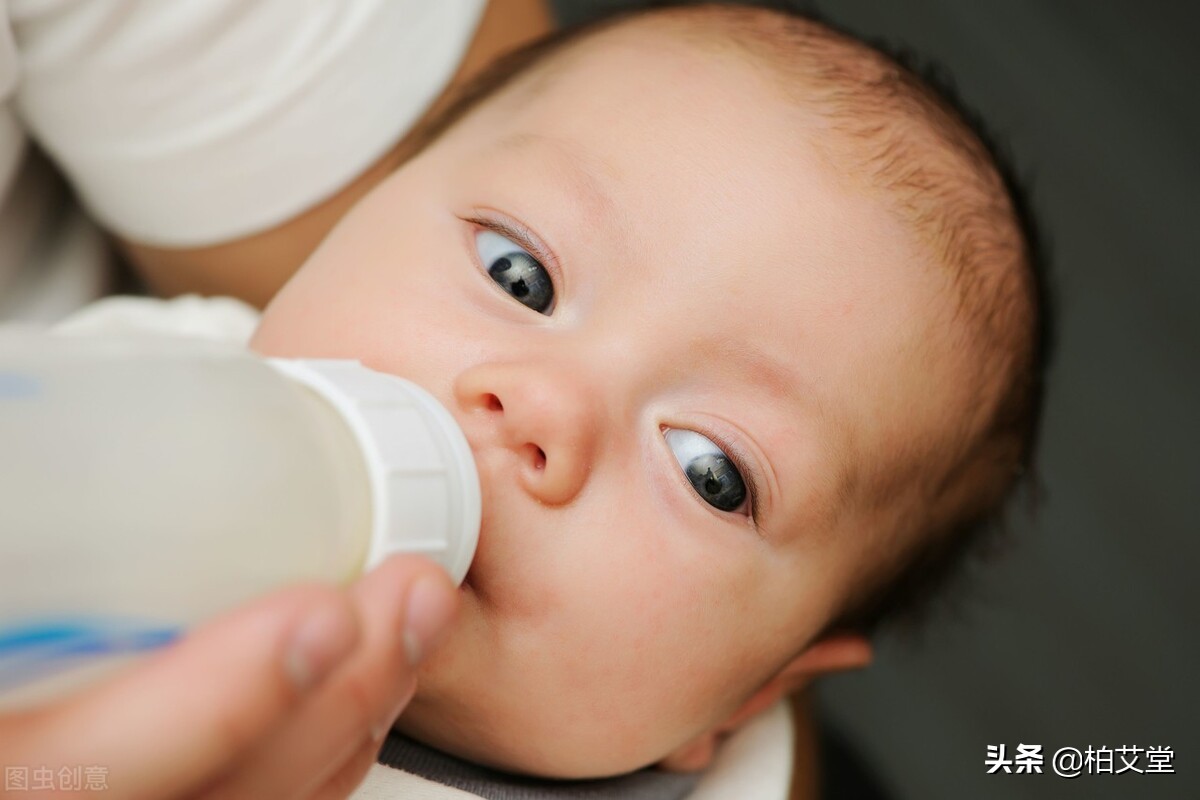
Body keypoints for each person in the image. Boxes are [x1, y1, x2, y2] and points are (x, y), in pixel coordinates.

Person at [4, 2, 1048, 798]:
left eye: (712, 471)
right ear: (368, 201)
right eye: (519, 275)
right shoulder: (148, 385)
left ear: (751, 697)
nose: (546, 405)